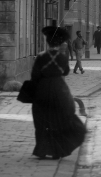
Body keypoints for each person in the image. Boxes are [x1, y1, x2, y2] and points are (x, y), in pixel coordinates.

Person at [30, 26, 86, 159]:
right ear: (58, 43)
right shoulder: (62, 57)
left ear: (48, 43)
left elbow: (35, 75)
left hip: (43, 90)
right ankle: (57, 150)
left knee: (42, 120)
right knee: (58, 120)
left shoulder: (41, 57)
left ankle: (42, 150)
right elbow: (66, 71)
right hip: (59, 90)